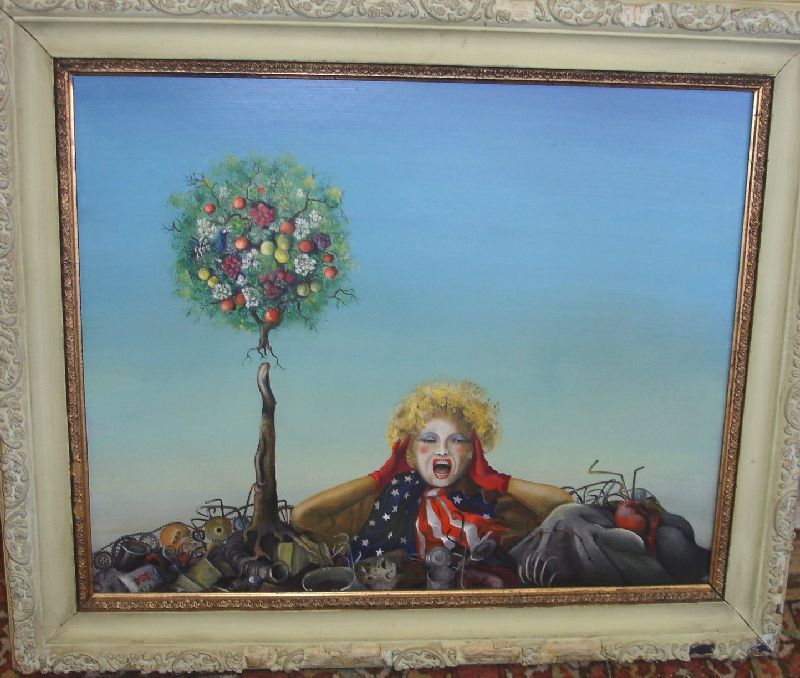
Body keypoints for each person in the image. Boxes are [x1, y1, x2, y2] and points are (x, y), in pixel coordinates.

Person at [290, 381, 572, 585]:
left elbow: (564, 507)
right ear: (410, 450)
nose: (442, 451)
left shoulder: (487, 497)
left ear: (473, 451)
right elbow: (303, 516)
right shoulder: (387, 497)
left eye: (457, 440)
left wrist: (497, 480)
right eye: (429, 440)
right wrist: (381, 477)